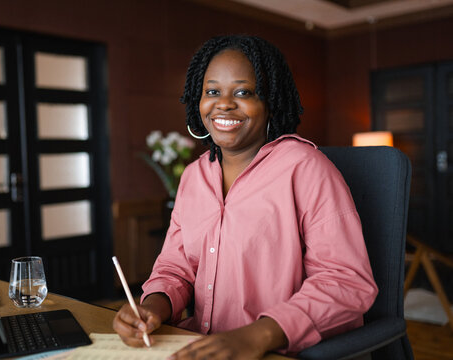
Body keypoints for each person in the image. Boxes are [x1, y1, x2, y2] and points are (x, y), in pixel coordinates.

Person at [113, 35, 378, 359]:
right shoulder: (194, 176)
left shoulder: (306, 169)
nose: (223, 103)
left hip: (273, 351)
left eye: (243, 92)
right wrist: (153, 308)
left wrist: (257, 336)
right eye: (212, 91)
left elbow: (346, 282)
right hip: (197, 346)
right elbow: (176, 267)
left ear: (270, 102)